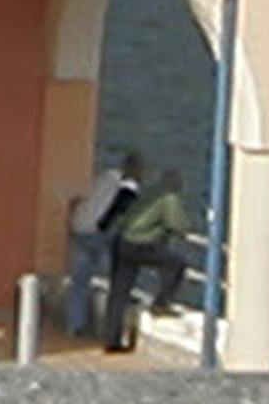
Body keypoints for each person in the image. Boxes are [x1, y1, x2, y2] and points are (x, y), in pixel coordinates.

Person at [104, 171, 197, 352]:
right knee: (176, 263)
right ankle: (161, 303)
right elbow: (178, 225)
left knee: (119, 293)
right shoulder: (169, 198)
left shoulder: (149, 192)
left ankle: (111, 339)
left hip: (122, 242)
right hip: (141, 245)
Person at [65, 151, 140, 340]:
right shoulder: (129, 187)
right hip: (97, 232)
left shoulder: (105, 176)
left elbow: (84, 199)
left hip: (79, 227)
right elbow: (120, 214)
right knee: (118, 270)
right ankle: (113, 321)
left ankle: (75, 325)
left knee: (80, 280)